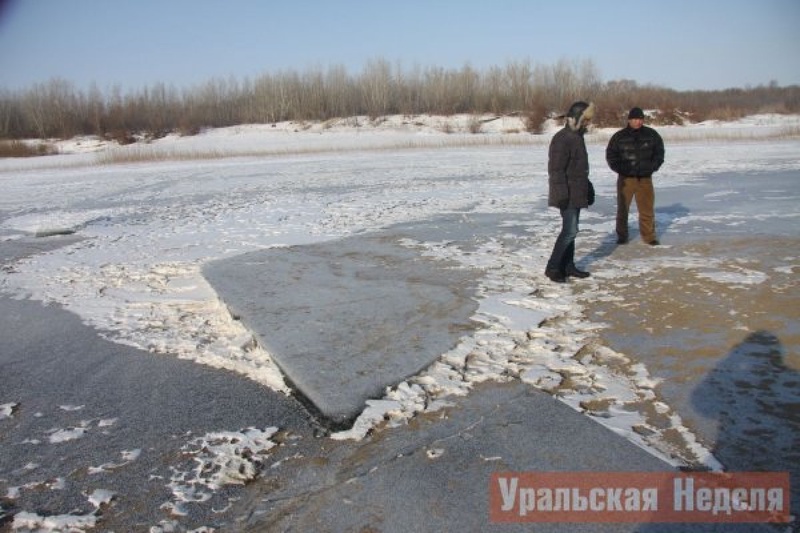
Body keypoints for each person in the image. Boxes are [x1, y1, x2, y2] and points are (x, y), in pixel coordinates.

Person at [544, 101, 595, 283]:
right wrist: (562, 195)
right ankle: (553, 267)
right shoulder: (562, 138)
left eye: (589, 120)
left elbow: (578, 169)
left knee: (572, 231)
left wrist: (587, 187)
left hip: (576, 191)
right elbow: (556, 170)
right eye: (586, 119)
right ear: (577, 118)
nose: (588, 123)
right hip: (567, 193)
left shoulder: (577, 137)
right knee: (570, 231)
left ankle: (568, 266)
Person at [605, 106, 665, 245]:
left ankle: (649, 237)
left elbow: (659, 153)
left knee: (647, 210)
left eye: (640, 119)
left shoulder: (652, 135)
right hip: (626, 180)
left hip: (645, 178)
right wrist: (622, 169)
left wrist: (651, 167)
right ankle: (622, 236)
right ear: (629, 120)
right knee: (623, 210)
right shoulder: (619, 137)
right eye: (635, 119)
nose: (638, 122)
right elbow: (611, 156)